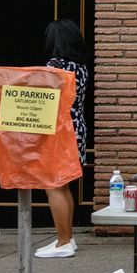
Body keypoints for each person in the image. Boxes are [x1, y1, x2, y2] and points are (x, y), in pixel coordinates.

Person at [38, 20, 92, 256]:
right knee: (64, 186)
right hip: (77, 128)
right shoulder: (79, 66)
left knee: (54, 187)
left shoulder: (55, 66)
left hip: (59, 131)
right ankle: (66, 237)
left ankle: (63, 242)